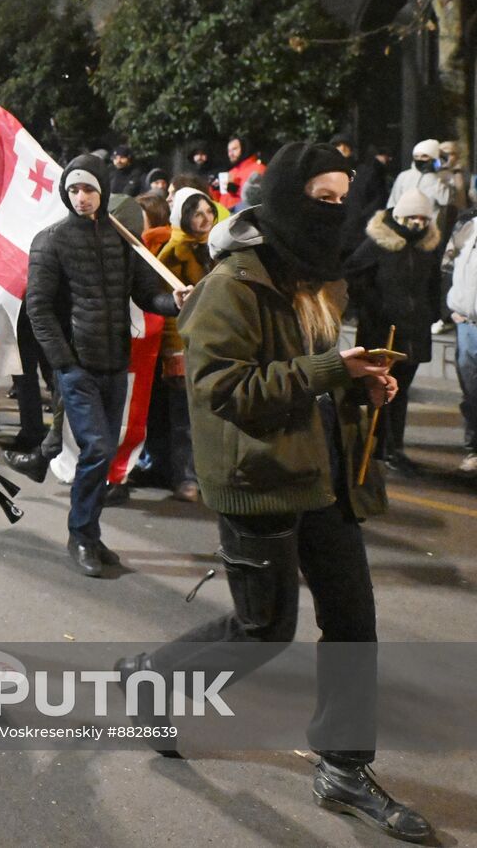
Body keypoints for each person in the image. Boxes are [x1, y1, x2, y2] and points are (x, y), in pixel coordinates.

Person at [121, 142, 433, 845]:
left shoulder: (313, 279)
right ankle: (153, 678)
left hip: (324, 476)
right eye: (323, 199)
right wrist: (330, 369)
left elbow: (311, 373)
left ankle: (346, 767)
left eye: (343, 198)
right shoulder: (231, 285)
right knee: (264, 630)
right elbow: (225, 392)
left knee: (354, 623)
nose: (337, 212)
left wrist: (356, 379)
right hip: (256, 480)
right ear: (287, 201)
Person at [13, 154, 187, 577]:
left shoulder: (124, 239)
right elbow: (37, 307)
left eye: (88, 188)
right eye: (73, 189)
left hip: (115, 361)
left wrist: (176, 302)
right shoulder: (50, 240)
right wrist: (63, 363)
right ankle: (80, 535)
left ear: (103, 190)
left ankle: (89, 532)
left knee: (104, 456)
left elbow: (148, 295)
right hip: (77, 367)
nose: (80, 197)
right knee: (97, 448)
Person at [344, 189, 444, 477]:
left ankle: (393, 448)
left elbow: (433, 284)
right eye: (413, 217)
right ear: (400, 215)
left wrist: (432, 313)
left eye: (423, 218)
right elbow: (353, 275)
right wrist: (372, 306)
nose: (418, 223)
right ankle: (380, 448)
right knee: (383, 390)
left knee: (400, 392)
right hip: (382, 331)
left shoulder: (427, 247)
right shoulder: (378, 243)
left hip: (414, 333)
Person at [138, 187, 219, 501]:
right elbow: (168, 311)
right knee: (182, 419)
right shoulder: (172, 252)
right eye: (197, 213)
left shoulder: (216, 249)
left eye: (208, 212)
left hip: (212, 346)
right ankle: (185, 477)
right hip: (183, 349)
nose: (205, 219)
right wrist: (174, 350)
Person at [448, 210, 477, 472]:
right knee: (471, 393)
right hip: (467, 327)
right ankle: (473, 450)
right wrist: (450, 309)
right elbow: (445, 267)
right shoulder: (466, 229)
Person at [386, 139, 452, 211]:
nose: (419, 159)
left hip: (430, 220)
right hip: (404, 219)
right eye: (416, 156)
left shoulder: (444, 176)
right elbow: (393, 201)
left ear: (434, 158)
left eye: (424, 156)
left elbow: (445, 201)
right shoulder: (404, 176)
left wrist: (437, 178)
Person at [221, 136, 266, 211]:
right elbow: (224, 199)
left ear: (244, 149)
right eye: (229, 151)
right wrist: (215, 190)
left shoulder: (258, 169)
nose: (230, 154)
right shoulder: (232, 172)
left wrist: (237, 190)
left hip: (246, 216)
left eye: (234, 149)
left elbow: (259, 197)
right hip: (227, 217)